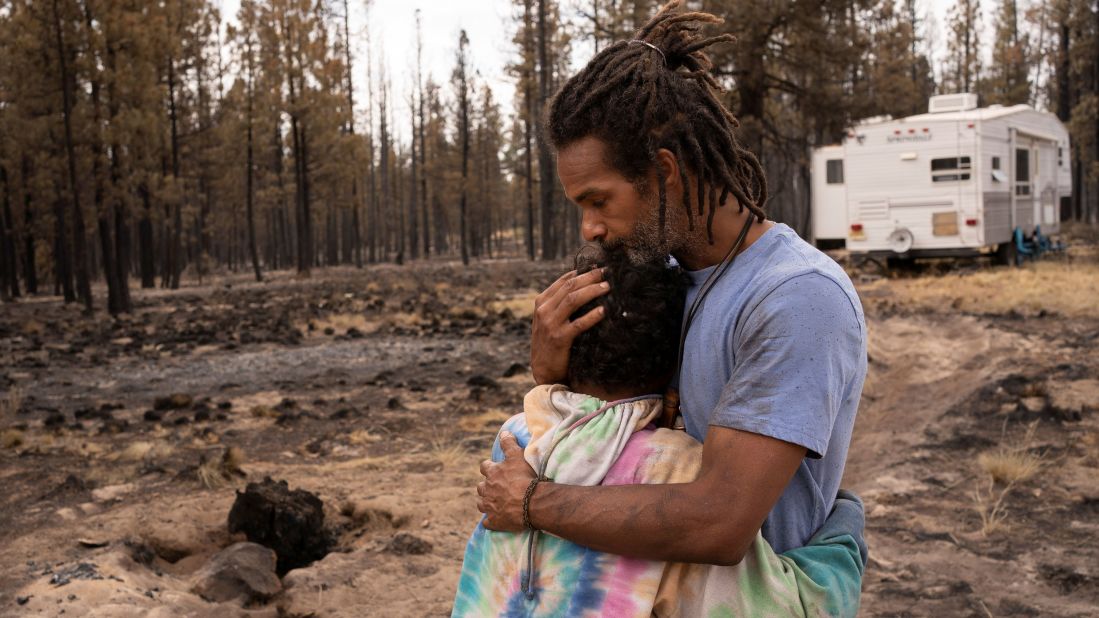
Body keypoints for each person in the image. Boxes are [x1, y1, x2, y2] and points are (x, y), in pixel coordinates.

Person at [477, 0, 868, 579]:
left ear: (664, 172)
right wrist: (551, 376)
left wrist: (533, 503)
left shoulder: (795, 297)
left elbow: (721, 521)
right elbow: (621, 442)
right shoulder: (657, 278)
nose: (590, 229)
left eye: (597, 201)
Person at [455, 248, 865, 616]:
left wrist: (547, 379)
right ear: (678, 372)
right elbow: (778, 608)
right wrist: (841, 534)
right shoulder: (677, 467)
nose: (590, 226)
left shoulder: (516, 436)